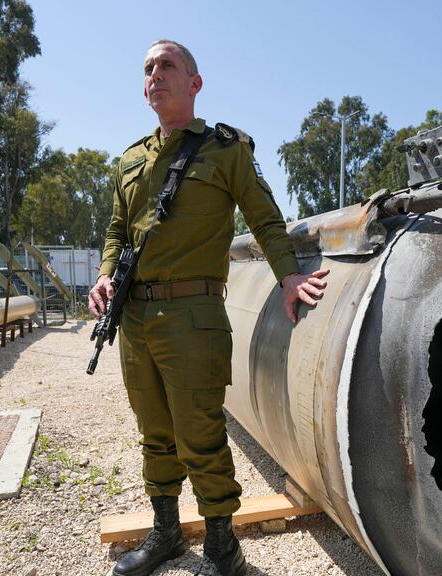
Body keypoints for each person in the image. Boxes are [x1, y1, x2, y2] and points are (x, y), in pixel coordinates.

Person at [89, 39, 329, 576]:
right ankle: (167, 533)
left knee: (199, 433)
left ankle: (223, 548)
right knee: (154, 431)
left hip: (193, 315)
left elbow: (265, 219)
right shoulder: (129, 160)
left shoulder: (226, 150)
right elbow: (115, 232)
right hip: (134, 319)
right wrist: (105, 277)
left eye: (167, 65)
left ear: (194, 83)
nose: (155, 74)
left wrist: (290, 276)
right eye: (148, 68)